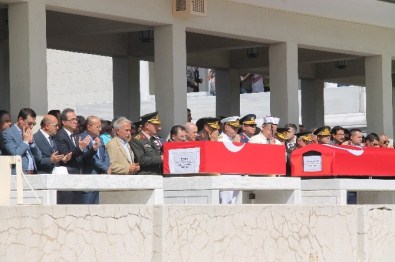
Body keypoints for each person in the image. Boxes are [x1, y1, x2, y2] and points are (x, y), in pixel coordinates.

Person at [54, 108, 92, 204]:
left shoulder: (75, 134)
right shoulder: (60, 136)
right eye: (72, 120)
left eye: (76, 119)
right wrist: (80, 148)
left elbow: (81, 156)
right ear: (64, 122)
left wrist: (93, 150)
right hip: (68, 176)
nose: (76, 122)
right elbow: (66, 155)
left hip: (78, 175)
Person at [79, 116, 111, 204]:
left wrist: (107, 165)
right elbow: (88, 157)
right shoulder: (82, 138)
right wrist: (104, 167)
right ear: (89, 127)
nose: (100, 129)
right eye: (97, 127)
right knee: (87, 206)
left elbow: (105, 153)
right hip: (88, 175)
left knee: (96, 206)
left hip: (98, 176)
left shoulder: (99, 138)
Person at [2, 108, 42, 174]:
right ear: (20, 120)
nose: (31, 127)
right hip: (18, 173)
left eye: (33, 124)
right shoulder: (8, 133)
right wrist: (26, 141)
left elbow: (39, 157)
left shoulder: (28, 132)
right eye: (29, 123)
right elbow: (15, 154)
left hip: (32, 173)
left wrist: (31, 143)